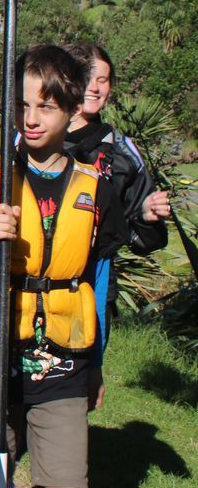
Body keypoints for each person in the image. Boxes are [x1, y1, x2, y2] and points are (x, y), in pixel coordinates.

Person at [0, 45, 126, 488]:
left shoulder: (95, 190)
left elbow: (97, 283)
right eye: (22, 105)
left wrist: (96, 364)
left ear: (73, 108)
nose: (30, 119)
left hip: (63, 360)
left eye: (45, 107)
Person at [65, 43, 170, 327]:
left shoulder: (121, 151)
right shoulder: (30, 138)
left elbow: (145, 241)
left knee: (89, 355)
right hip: (32, 282)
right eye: (87, 77)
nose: (94, 87)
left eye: (103, 80)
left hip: (95, 284)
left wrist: (147, 216)